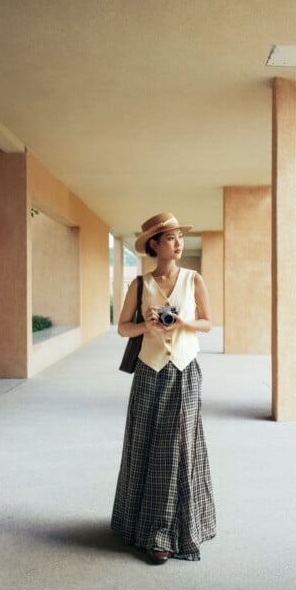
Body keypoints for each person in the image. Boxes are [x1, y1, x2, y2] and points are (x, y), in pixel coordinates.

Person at [111, 212, 216, 565]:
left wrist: (184, 323)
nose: (178, 243)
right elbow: (123, 328)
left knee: (176, 449)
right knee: (142, 444)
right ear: (155, 244)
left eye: (179, 238)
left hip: (185, 372)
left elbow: (208, 322)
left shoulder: (193, 279)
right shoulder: (139, 285)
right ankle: (138, 526)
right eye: (170, 238)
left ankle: (164, 535)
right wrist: (148, 328)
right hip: (148, 370)